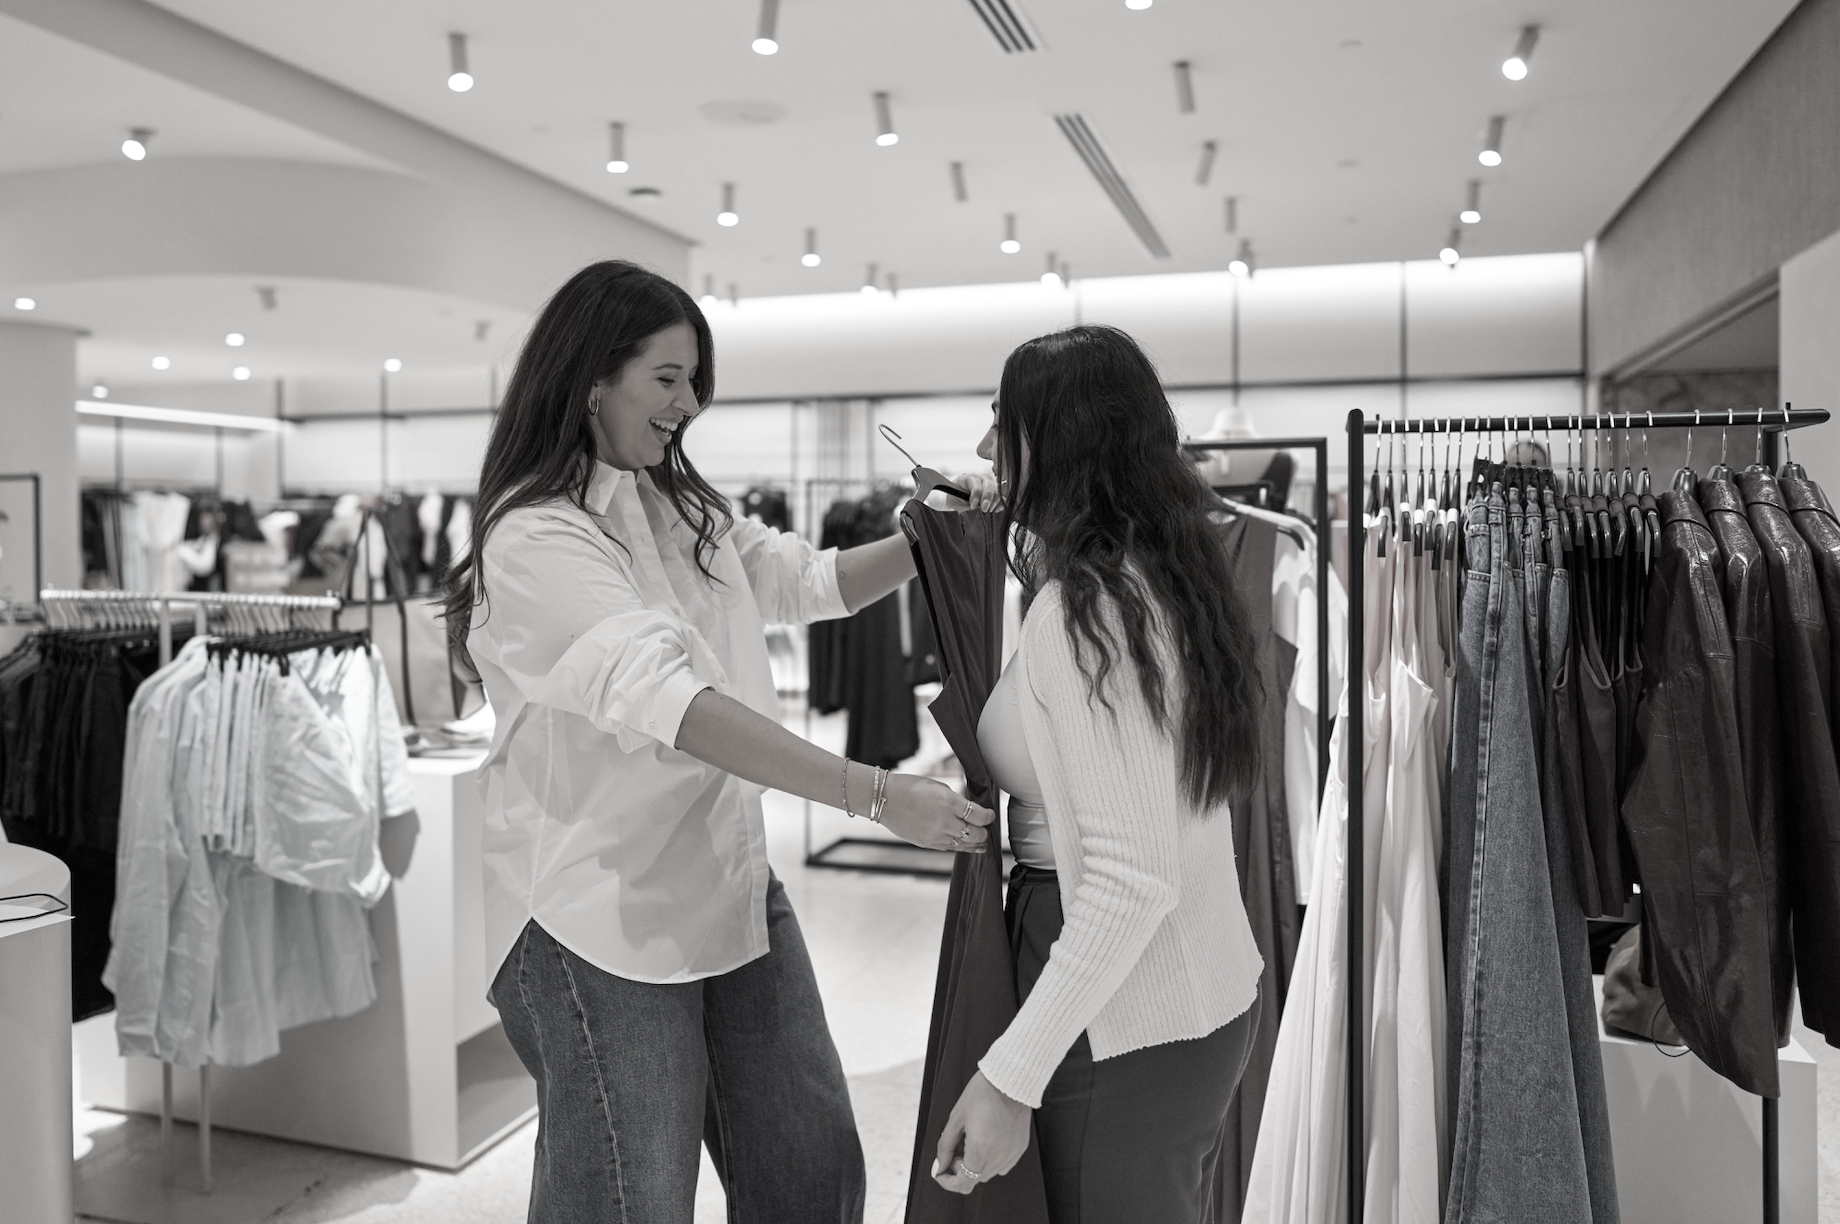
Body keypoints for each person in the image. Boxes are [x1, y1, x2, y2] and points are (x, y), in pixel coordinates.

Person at [442, 260, 997, 1223]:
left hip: (728, 886)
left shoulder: (679, 506)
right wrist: (871, 792)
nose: (689, 403)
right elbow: (678, 703)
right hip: (596, 917)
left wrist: (930, 535)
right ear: (590, 379)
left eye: (695, 380)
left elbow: (808, 582)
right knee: (628, 1198)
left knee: (810, 1171)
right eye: (668, 378)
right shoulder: (534, 539)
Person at [930, 324, 1268, 1221]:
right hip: (1167, 990)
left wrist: (1010, 1076)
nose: (981, 448)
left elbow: (1129, 876)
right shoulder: (1155, 573)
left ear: (1066, 437)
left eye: (1004, 425)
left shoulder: (1091, 610)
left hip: (1123, 1007)